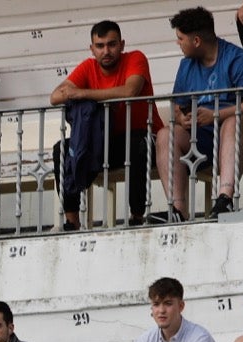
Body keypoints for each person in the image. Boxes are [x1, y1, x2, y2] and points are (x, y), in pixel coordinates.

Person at [49, 20, 161, 230]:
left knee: (137, 145)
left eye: (112, 44)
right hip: (104, 141)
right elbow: (55, 97)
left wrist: (83, 93)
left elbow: (130, 91)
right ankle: (71, 222)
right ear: (92, 49)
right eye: (100, 46)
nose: (106, 51)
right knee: (61, 150)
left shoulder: (135, 58)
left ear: (122, 44)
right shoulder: (87, 67)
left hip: (143, 137)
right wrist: (75, 91)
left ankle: (137, 217)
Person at [155, 8, 243, 221]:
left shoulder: (237, 59)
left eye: (181, 39)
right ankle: (178, 211)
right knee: (166, 134)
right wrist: (181, 118)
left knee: (232, 123)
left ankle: (224, 200)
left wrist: (216, 114)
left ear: (197, 41)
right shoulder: (186, 65)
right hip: (201, 136)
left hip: (239, 134)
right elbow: (177, 105)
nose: (178, 43)